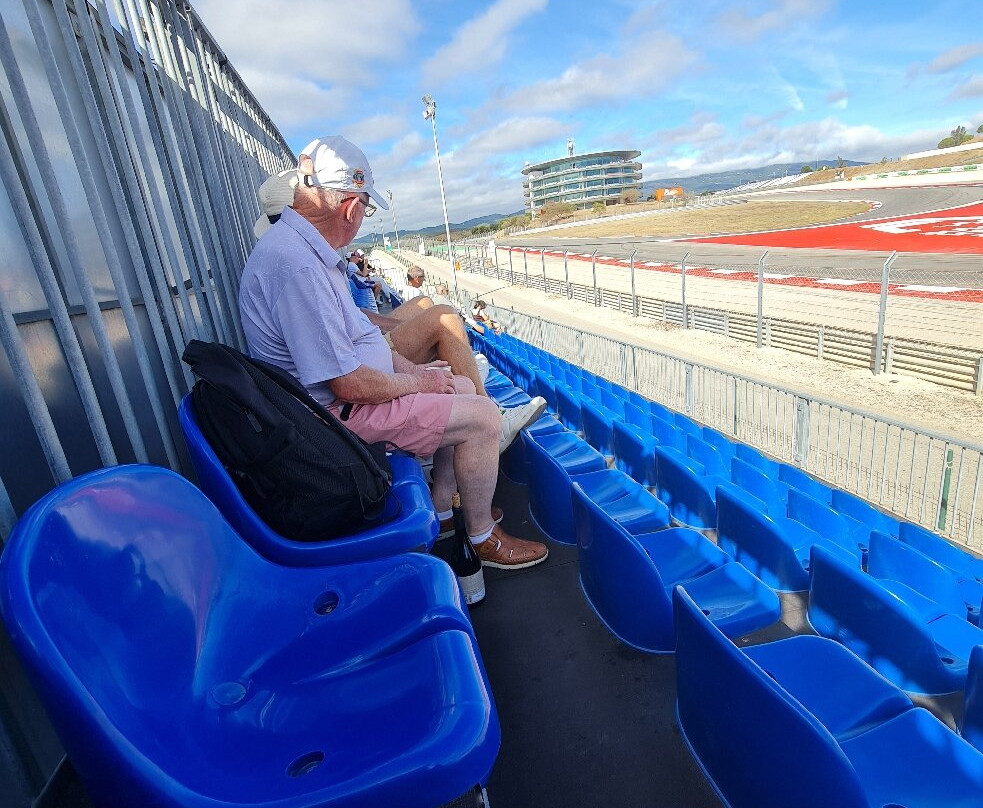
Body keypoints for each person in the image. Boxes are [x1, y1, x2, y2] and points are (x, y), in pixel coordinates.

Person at [239, 135, 548, 569]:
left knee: (459, 386)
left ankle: (443, 509)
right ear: (351, 208)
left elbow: (359, 339)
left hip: (342, 404)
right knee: (481, 417)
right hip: (332, 421)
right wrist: (417, 381)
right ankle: (482, 537)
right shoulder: (298, 267)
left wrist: (420, 375)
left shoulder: (305, 251)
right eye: (366, 209)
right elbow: (347, 384)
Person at [254, 170, 488, 395]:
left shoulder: (302, 257)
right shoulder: (299, 268)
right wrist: (416, 376)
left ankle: (473, 392)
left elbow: (350, 318)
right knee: (446, 318)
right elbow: (344, 378)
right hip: (363, 370)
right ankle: (483, 401)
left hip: (368, 352)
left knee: (425, 303)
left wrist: (394, 327)